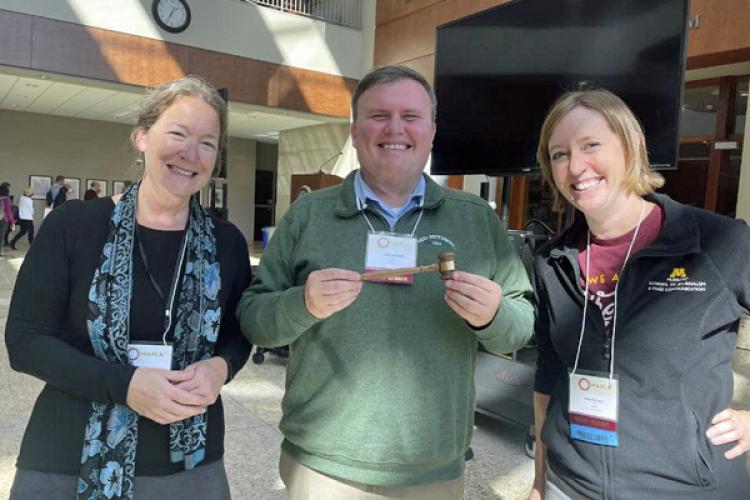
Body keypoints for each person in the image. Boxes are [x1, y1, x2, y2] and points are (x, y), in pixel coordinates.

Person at [236, 65, 534, 499]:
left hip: (433, 469)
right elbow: (253, 319)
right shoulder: (309, 215)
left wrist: (493, 316)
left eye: (410, 116)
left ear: (432, 132)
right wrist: (303, 304)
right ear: (355, 132)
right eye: (379, 116)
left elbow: (521, 323)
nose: (395, 128)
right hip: (321, 463)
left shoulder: (475, 219)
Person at [5, 75, 252, 500]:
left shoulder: (226, 242)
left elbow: (237, 332)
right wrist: (124, 385)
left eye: (207, 143)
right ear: (141, 137)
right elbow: (25, 341)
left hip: (187, 465)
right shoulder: (75, 226)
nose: (190, 154)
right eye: (178, 133)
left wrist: (221, 367)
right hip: (68, 456)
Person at [529, 89, 750, 500]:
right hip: (570, 486)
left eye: (590, 145)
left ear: (630, 146)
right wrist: (541, 480)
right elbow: (548, 379)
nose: (576, 166)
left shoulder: (717, 244)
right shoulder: (551, 262)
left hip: (684, 489)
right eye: (559, 154)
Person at [0, 182, 16, 257]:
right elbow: (9, 212)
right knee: (1, 236)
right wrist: (12, 222)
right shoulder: (7, 199)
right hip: (4, 219)